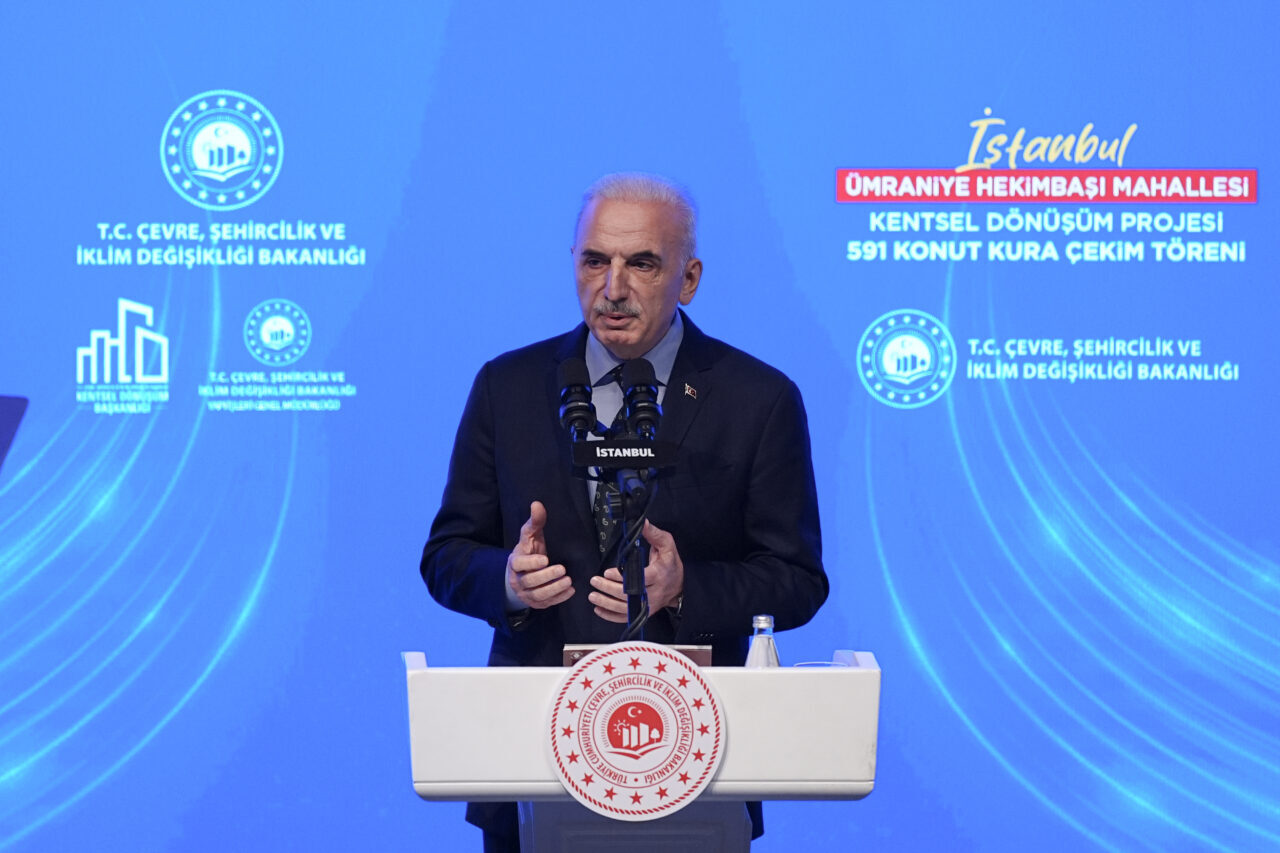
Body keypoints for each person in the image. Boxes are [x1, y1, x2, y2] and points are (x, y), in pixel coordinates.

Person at [420, 172, 828, 851]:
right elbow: (446, 556)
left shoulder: (757, 399)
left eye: (642, 263)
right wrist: (509, 582)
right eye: (594, 261)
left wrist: (686, 587)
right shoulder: (507, 386)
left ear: (688, 279)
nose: (612, 288)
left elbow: (797, 579)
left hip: (695, 764)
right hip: (530, 757)